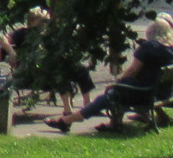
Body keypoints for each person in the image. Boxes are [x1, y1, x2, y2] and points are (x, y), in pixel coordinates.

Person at [45, 17, 173, 133]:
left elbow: (132, 70)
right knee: (114, 92)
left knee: (108, 96)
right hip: (162, 93)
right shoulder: (170, 49)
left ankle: (66, 121)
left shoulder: (149, 46)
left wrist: (117, 84)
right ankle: (111, 123)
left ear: (150, 32)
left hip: (143, 94)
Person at [7, 6, 92, 117]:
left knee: (81, 69)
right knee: (58, 72)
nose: (46, 22)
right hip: (33, 73)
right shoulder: (23, 33)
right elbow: (3, 38)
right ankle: (67, 110)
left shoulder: (50, 34)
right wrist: (12, 53)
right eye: (42, 19)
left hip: (50, 68)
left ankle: (88, 105)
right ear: (33, 21)